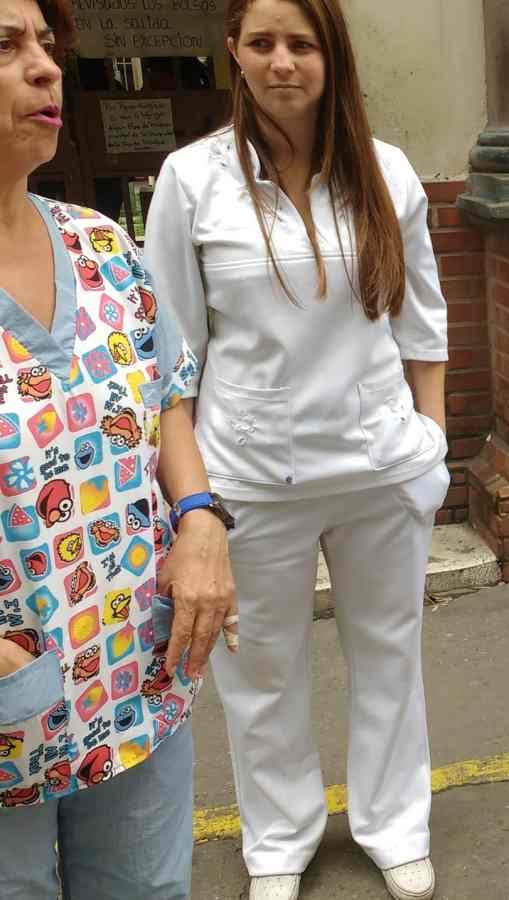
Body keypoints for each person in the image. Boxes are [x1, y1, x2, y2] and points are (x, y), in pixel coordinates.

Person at [142, 0, 449, 898]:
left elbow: (423, 325)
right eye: (263, 43)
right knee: (259, 672)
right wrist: (191, 499)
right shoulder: (192, 179)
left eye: (302, 44)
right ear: (233, 52)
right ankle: (278, 839)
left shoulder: (385, 172)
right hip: (249, 477)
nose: (283, 62)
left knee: (389, 655)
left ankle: (395, 824)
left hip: (379, 468)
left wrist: (430, 448)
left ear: (331, 54)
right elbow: (173, 356)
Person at [0, 1, 237, 898]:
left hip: (134, 675)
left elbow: (166, 390)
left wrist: (200, 519)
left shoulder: (100, 245)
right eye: (5, 46)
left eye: (46, 45)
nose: (46, 68)